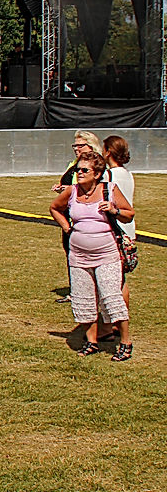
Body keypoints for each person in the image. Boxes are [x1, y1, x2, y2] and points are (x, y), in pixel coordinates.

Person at [49, 150, 133, 361]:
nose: (79, 173)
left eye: (84, 170)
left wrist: (114, 210)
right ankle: (91, 341)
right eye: (78, 169)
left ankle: (125, 342)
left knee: (111, 297)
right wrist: (68, 228)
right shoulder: (72, 191)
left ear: (97, 173)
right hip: (78, 256)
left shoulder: (109, 190)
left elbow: (129, 214)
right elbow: (54, 208)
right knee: (83, 298)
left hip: (107, 254)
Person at [49, 131, 104, 303]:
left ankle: (93, 291)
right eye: (75, 145)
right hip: (70, 215)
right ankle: (77, 290)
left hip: (88, 217)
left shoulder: (98, 166)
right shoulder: (73, 164)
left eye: (80, 145)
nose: (76, 149)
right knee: (72, 253)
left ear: (91, 146)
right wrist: (63, 188)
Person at [102, 135, 135, 340]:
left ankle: (110, 325)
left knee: (109, 281)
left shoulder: (109, 175)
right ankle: (119, 321)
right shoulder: (127, 174)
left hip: (115, 230)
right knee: (121, 280)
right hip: (128, 230)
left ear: (108, 152)